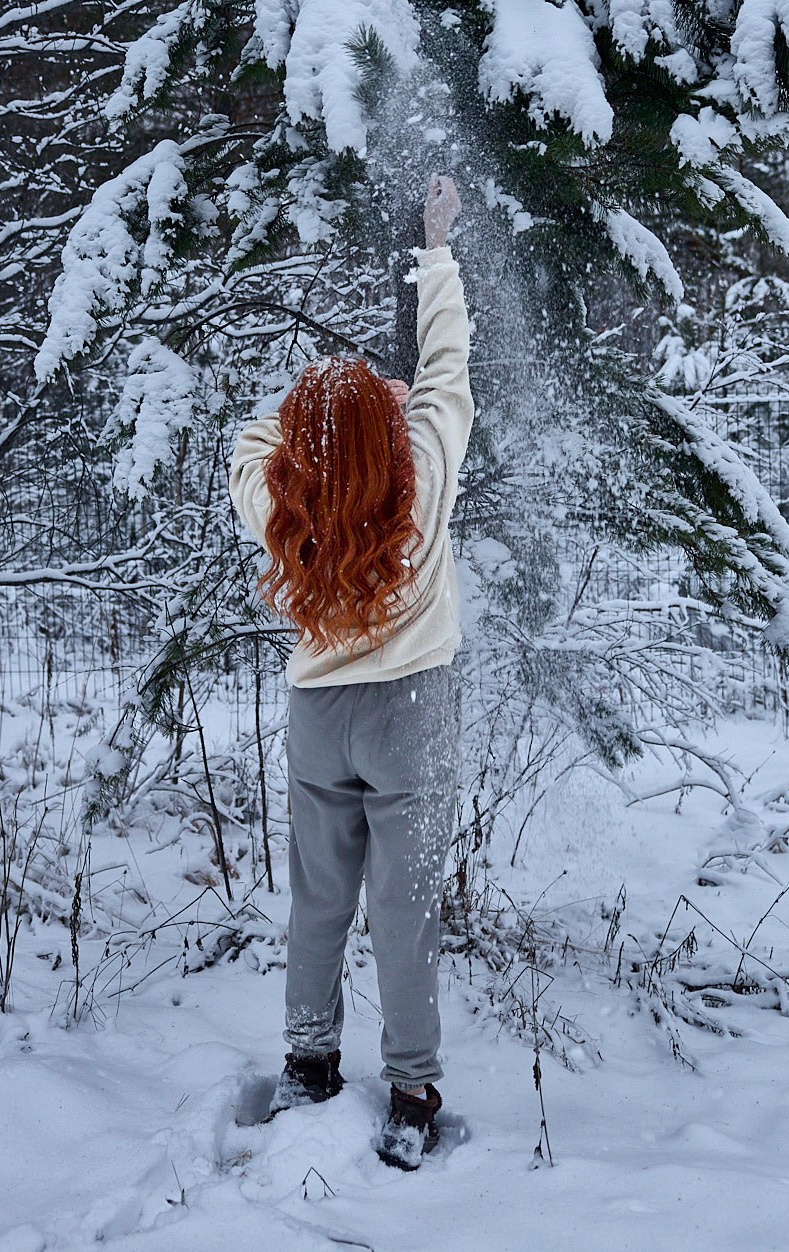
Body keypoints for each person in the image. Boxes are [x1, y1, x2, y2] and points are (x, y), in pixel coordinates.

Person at [228, 172, 473, 1171]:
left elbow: (248, 445)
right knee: (402, 909)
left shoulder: (283, 515)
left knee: (320, 899)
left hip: (319, 719)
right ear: (389, 430)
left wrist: (309, 443)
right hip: (410, 712)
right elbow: (449, 366)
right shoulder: (424, 481)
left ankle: (308, 1065)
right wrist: (438, 249)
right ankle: (411, 1092)